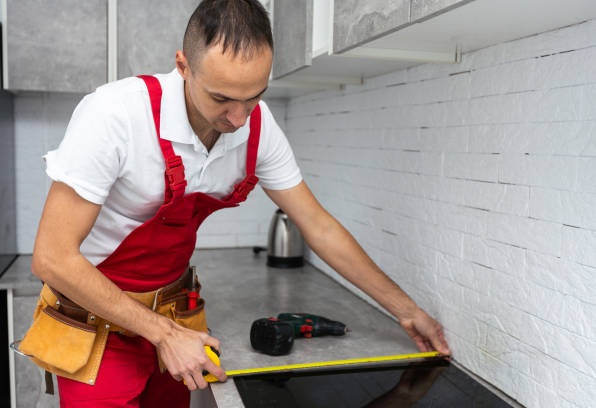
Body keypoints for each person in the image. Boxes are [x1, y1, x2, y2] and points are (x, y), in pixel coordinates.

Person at [29, 0, 451, 406]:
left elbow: (317, 225)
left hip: (175, 322)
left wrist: (406, 309)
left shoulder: (258, 126)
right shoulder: (115, 114)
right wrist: (164, 335)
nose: (239, 119)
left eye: (254, 97)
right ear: (183, 67)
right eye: (221, 99)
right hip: (96, 328)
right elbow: (52, 258)